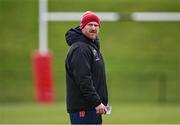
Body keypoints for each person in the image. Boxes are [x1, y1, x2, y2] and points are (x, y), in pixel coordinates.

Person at [65, 11, 108, 124]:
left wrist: (101, 102)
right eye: (90, 24)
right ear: (82, 26)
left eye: (96, 25)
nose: (93, 28)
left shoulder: (90, 47)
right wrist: (97, 102)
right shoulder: (80, 49)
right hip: (84, 109)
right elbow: (83, 80)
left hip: (92, 108)